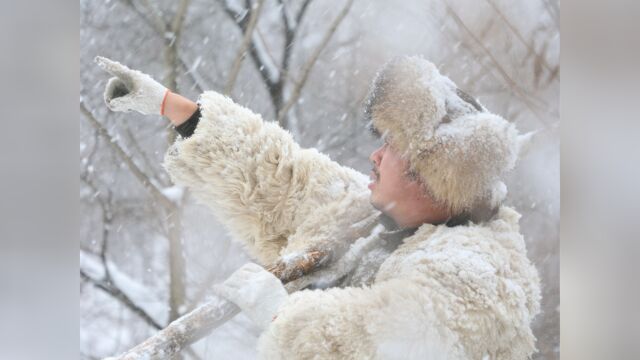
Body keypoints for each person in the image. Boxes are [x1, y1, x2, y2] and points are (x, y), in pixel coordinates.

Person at [95, 55, 541, 359]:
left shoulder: (479, 278)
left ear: (432, 175)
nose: (376, 156)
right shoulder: (376, 220)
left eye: (392, 146)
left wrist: (281, 315)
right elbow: (281, 179)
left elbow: (377, 344)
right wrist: (171, 106)